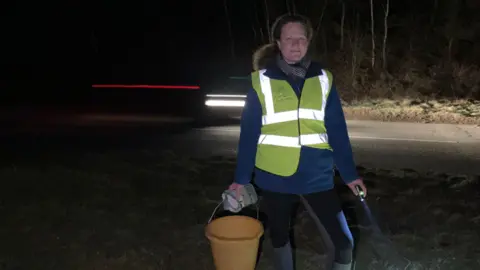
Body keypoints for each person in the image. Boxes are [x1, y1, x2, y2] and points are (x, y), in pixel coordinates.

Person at [228, 14, 367, 270]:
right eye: (289, 38)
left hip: (317, 176)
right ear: (278, 43)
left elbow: (337, 130)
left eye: (301, 38)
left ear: (308, 42)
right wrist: (241, 179)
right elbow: (248, 133)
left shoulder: (324, 79)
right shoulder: (262, 81)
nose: (295, 44)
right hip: (274, 176)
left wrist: (350, 175)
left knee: (343, 243)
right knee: (280, 238)